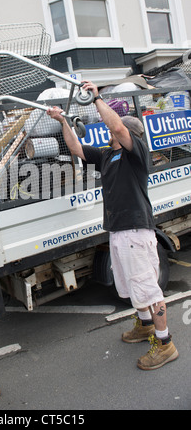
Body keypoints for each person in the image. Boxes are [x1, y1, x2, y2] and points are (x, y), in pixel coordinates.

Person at [47, 80, 179, 370]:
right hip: (118, 230)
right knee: (132, 285)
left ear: (130, 135)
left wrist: (96, 99)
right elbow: (77, 148)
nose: (109, 131)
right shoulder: (108, 155)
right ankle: (145, 325)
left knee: (148, 288)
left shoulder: (137, 153)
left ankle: (165, 343)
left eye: (113, 129)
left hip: (136, 228)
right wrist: (63, 121)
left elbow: (118, 127)